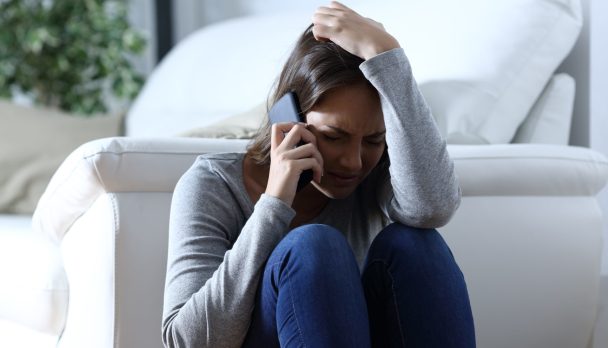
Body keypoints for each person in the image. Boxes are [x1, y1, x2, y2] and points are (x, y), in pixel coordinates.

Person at [162, 2, 476, 347]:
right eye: (333, 137)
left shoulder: (378, 178)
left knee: (418, 243)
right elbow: (189, 342)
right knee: (312, 245)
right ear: (289, 118)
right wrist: (275, 204)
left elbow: (433, 208)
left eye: (374, 140)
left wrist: (387, 56)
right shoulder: (212, 184)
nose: (354, 163)